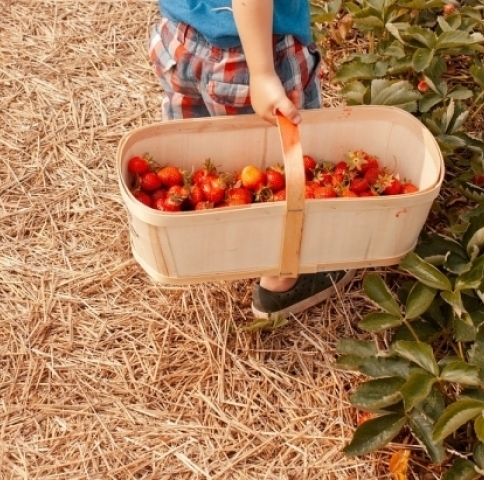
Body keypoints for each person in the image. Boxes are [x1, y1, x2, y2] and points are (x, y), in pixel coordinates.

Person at [149, 0, 355, 319]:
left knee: (205, 155)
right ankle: (283, 278)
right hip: (253, 50)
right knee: (285, 169)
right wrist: (261, 72)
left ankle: (207, 235)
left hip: (181, 39)